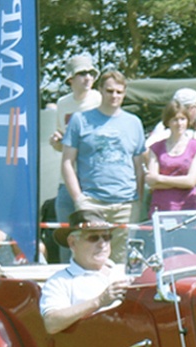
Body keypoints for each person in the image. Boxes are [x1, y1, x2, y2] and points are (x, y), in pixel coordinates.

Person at [61, 70, 146, 265]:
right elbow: (67, 162)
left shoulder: (134, 123)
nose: (114, 96)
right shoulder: (80, 120)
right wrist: (79, 199)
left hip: (126, 204)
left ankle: (117, 296)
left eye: (119, 92)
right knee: (88, 259)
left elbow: (139, 166)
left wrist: (138, 201)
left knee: (123, 262)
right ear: (100, 90)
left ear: (124, 93)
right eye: (109, 91)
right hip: (92, 202)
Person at [40, 209, 128, 335]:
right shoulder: (60, 281)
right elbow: (51, 323)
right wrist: (99, 301)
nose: (102, 244)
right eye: (93, 238)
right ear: (72, 242)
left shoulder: (124, 271)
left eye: (107, 237)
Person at [51, 55, 102, 263]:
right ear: (70, 79)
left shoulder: (100, 99)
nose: (88, 77)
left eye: (91, 73)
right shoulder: (62, 104)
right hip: (66, 182)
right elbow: (63, 143)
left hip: (95, 181)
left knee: (96, 240)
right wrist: (56, 142)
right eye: (82, 73)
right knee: (67, 239)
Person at [145, 101, 196, 217]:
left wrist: (160, 178)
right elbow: (152, 182)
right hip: (160, 208)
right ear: (168, 122)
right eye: (174, 119)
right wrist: (181, 182)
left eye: (182, 119)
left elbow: (191, 181)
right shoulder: (155, 148)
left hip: (187, 208)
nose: (179, 123)